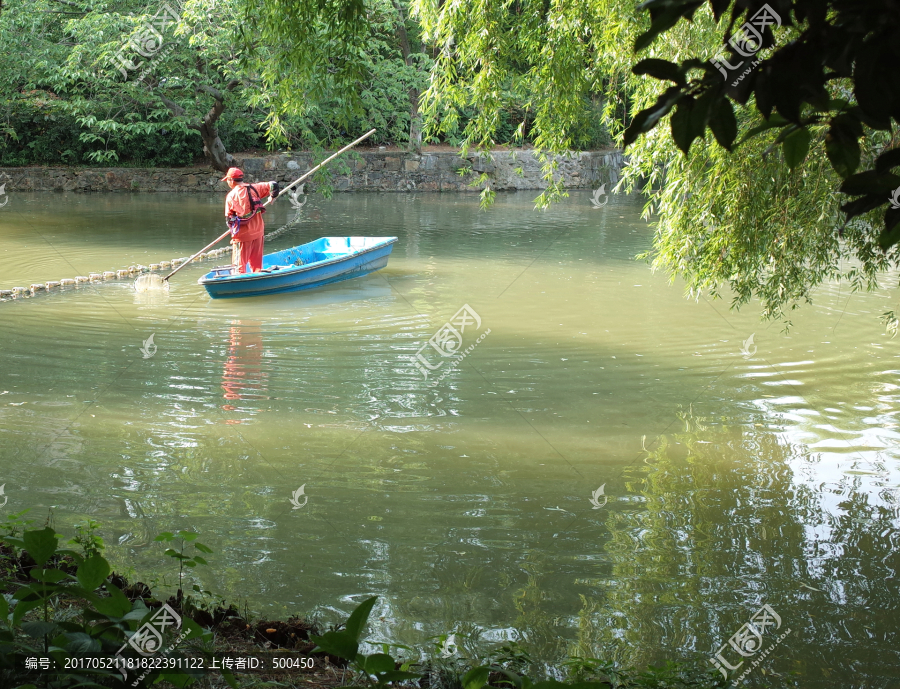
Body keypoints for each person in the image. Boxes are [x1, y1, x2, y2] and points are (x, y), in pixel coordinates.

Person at [222, 168, 281, 274]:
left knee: (238, 268)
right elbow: (274, 185)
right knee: (256, 265)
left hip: (243, 236)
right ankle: (257, 279)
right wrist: (273, 197)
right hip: (258, 232)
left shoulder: (231, 196)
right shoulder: (255, 188)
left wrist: (232, 228)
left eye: (227, 180)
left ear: (231, 180)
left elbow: (229, 220)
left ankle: (239, 284)